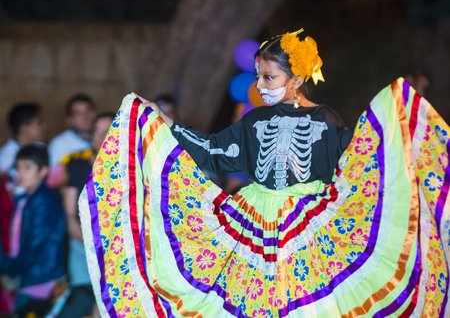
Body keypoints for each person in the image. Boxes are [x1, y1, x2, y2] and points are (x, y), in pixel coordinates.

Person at [80, 30, 450, 317]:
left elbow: (355, 168)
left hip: (312, 223)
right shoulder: (254, 120)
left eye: (269, 78)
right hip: (251, 222)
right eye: (258, 76)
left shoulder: (326, 121)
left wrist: (400, 130)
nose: (259, 85)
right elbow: (212, 152)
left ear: (296, 78)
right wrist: (161, 122)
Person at [57, 113, 114, 318]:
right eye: (97, 131)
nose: (102, 136)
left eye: (108, 130)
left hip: (115, 249)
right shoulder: (80, 167)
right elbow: (69, 215)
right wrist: (95, 248)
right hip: (82, 243)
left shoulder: (128, 170)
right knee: (84, 298)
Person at [0, 145, 65, 316]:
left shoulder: (43, 201)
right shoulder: (26, 199)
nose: (21, 173)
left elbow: (34, 244)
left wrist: (10, 269)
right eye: (18, 167)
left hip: (40, 276)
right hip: (29, 273)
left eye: (27, 167)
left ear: (44, 171)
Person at [47, 94, 96, 188]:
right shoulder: (59, 144)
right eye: (79, 113)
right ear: (70, 120)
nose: (85, 117)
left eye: (88, 110)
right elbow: (52, 181)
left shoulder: (104, 139)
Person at [0, 103, 46, 192]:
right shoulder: (5, 156)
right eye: (39, 123)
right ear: (23, 128)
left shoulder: (41, 147)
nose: (44, 126)